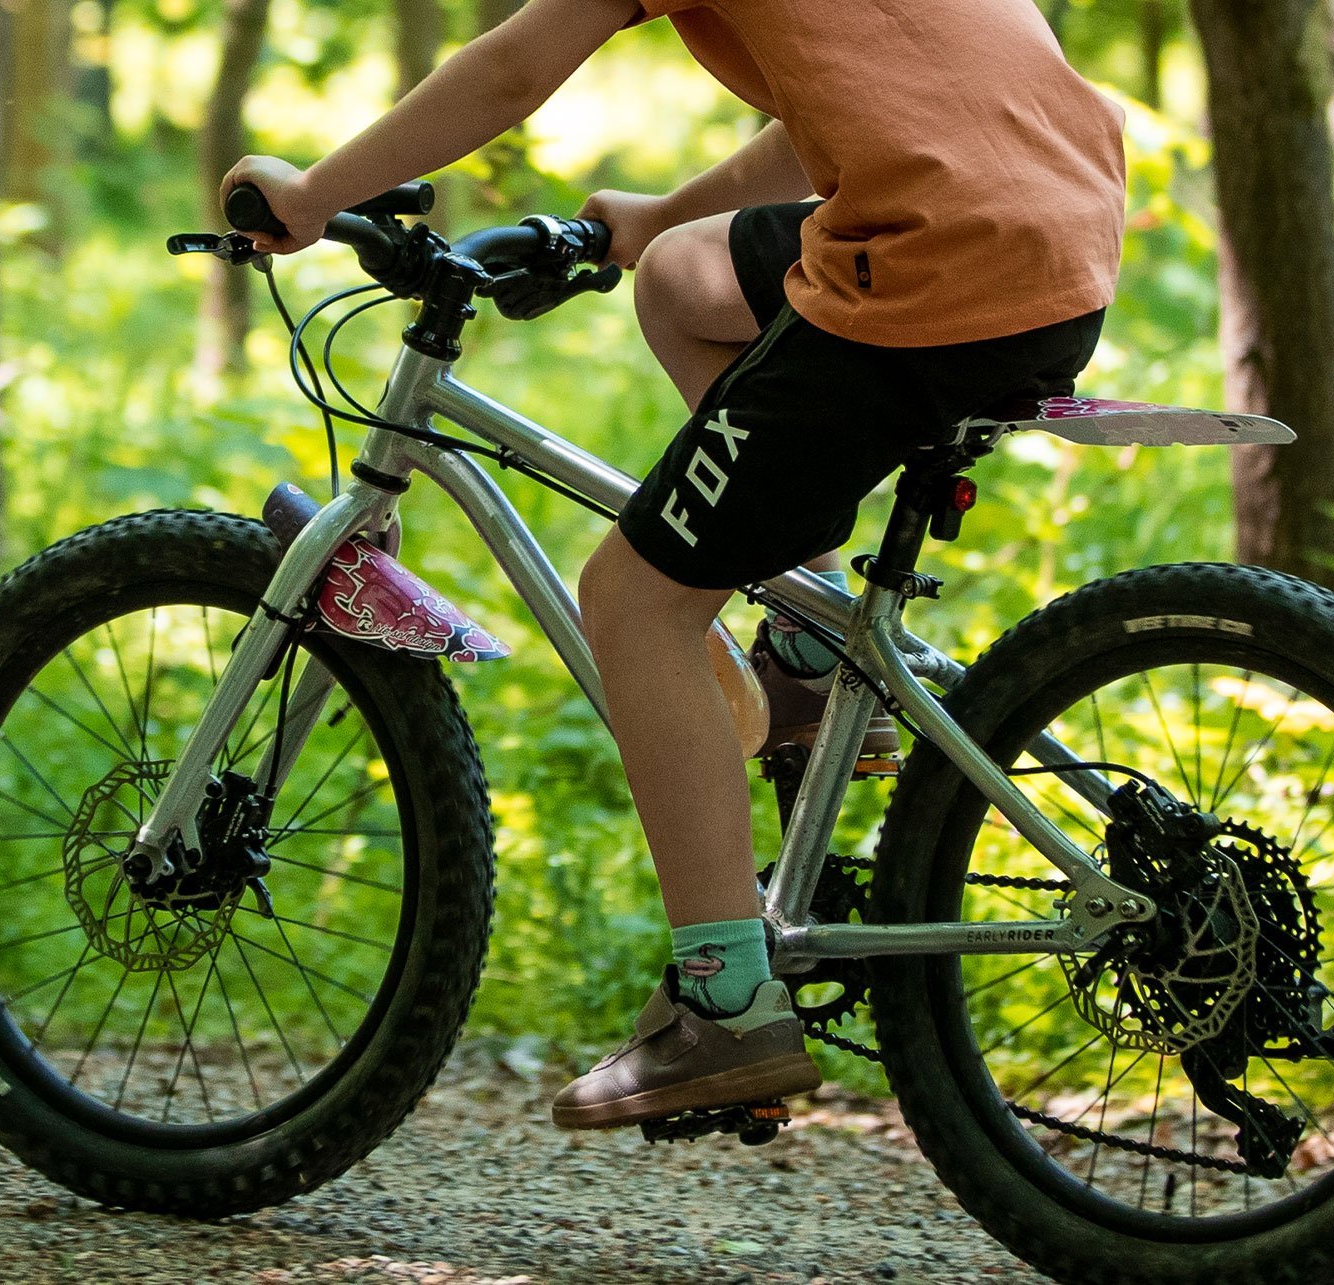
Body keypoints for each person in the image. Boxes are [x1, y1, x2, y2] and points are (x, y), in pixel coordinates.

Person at [222, 0, 1126, 1131]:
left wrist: (311, 198)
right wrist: (651, 222)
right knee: (686, 277)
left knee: (634, 603)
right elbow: (839, 115)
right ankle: (806, 634)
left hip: (925, 270)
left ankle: (722, 1009)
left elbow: (510, 69)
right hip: (1055, 244)